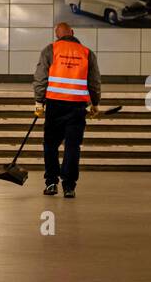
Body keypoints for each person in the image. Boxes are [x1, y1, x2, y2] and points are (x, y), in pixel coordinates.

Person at [33, 22, 101, 197]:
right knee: (72, 146)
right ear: (72, 32)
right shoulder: (87, 53)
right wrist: (95, 103)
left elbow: (41, 76)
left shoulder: (51, 49)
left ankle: (51, 183)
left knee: (50, 145)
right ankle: (69, 187)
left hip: (55, 105)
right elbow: (94, 82)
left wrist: (39, 101)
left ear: (57, 35)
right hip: (77, 106)